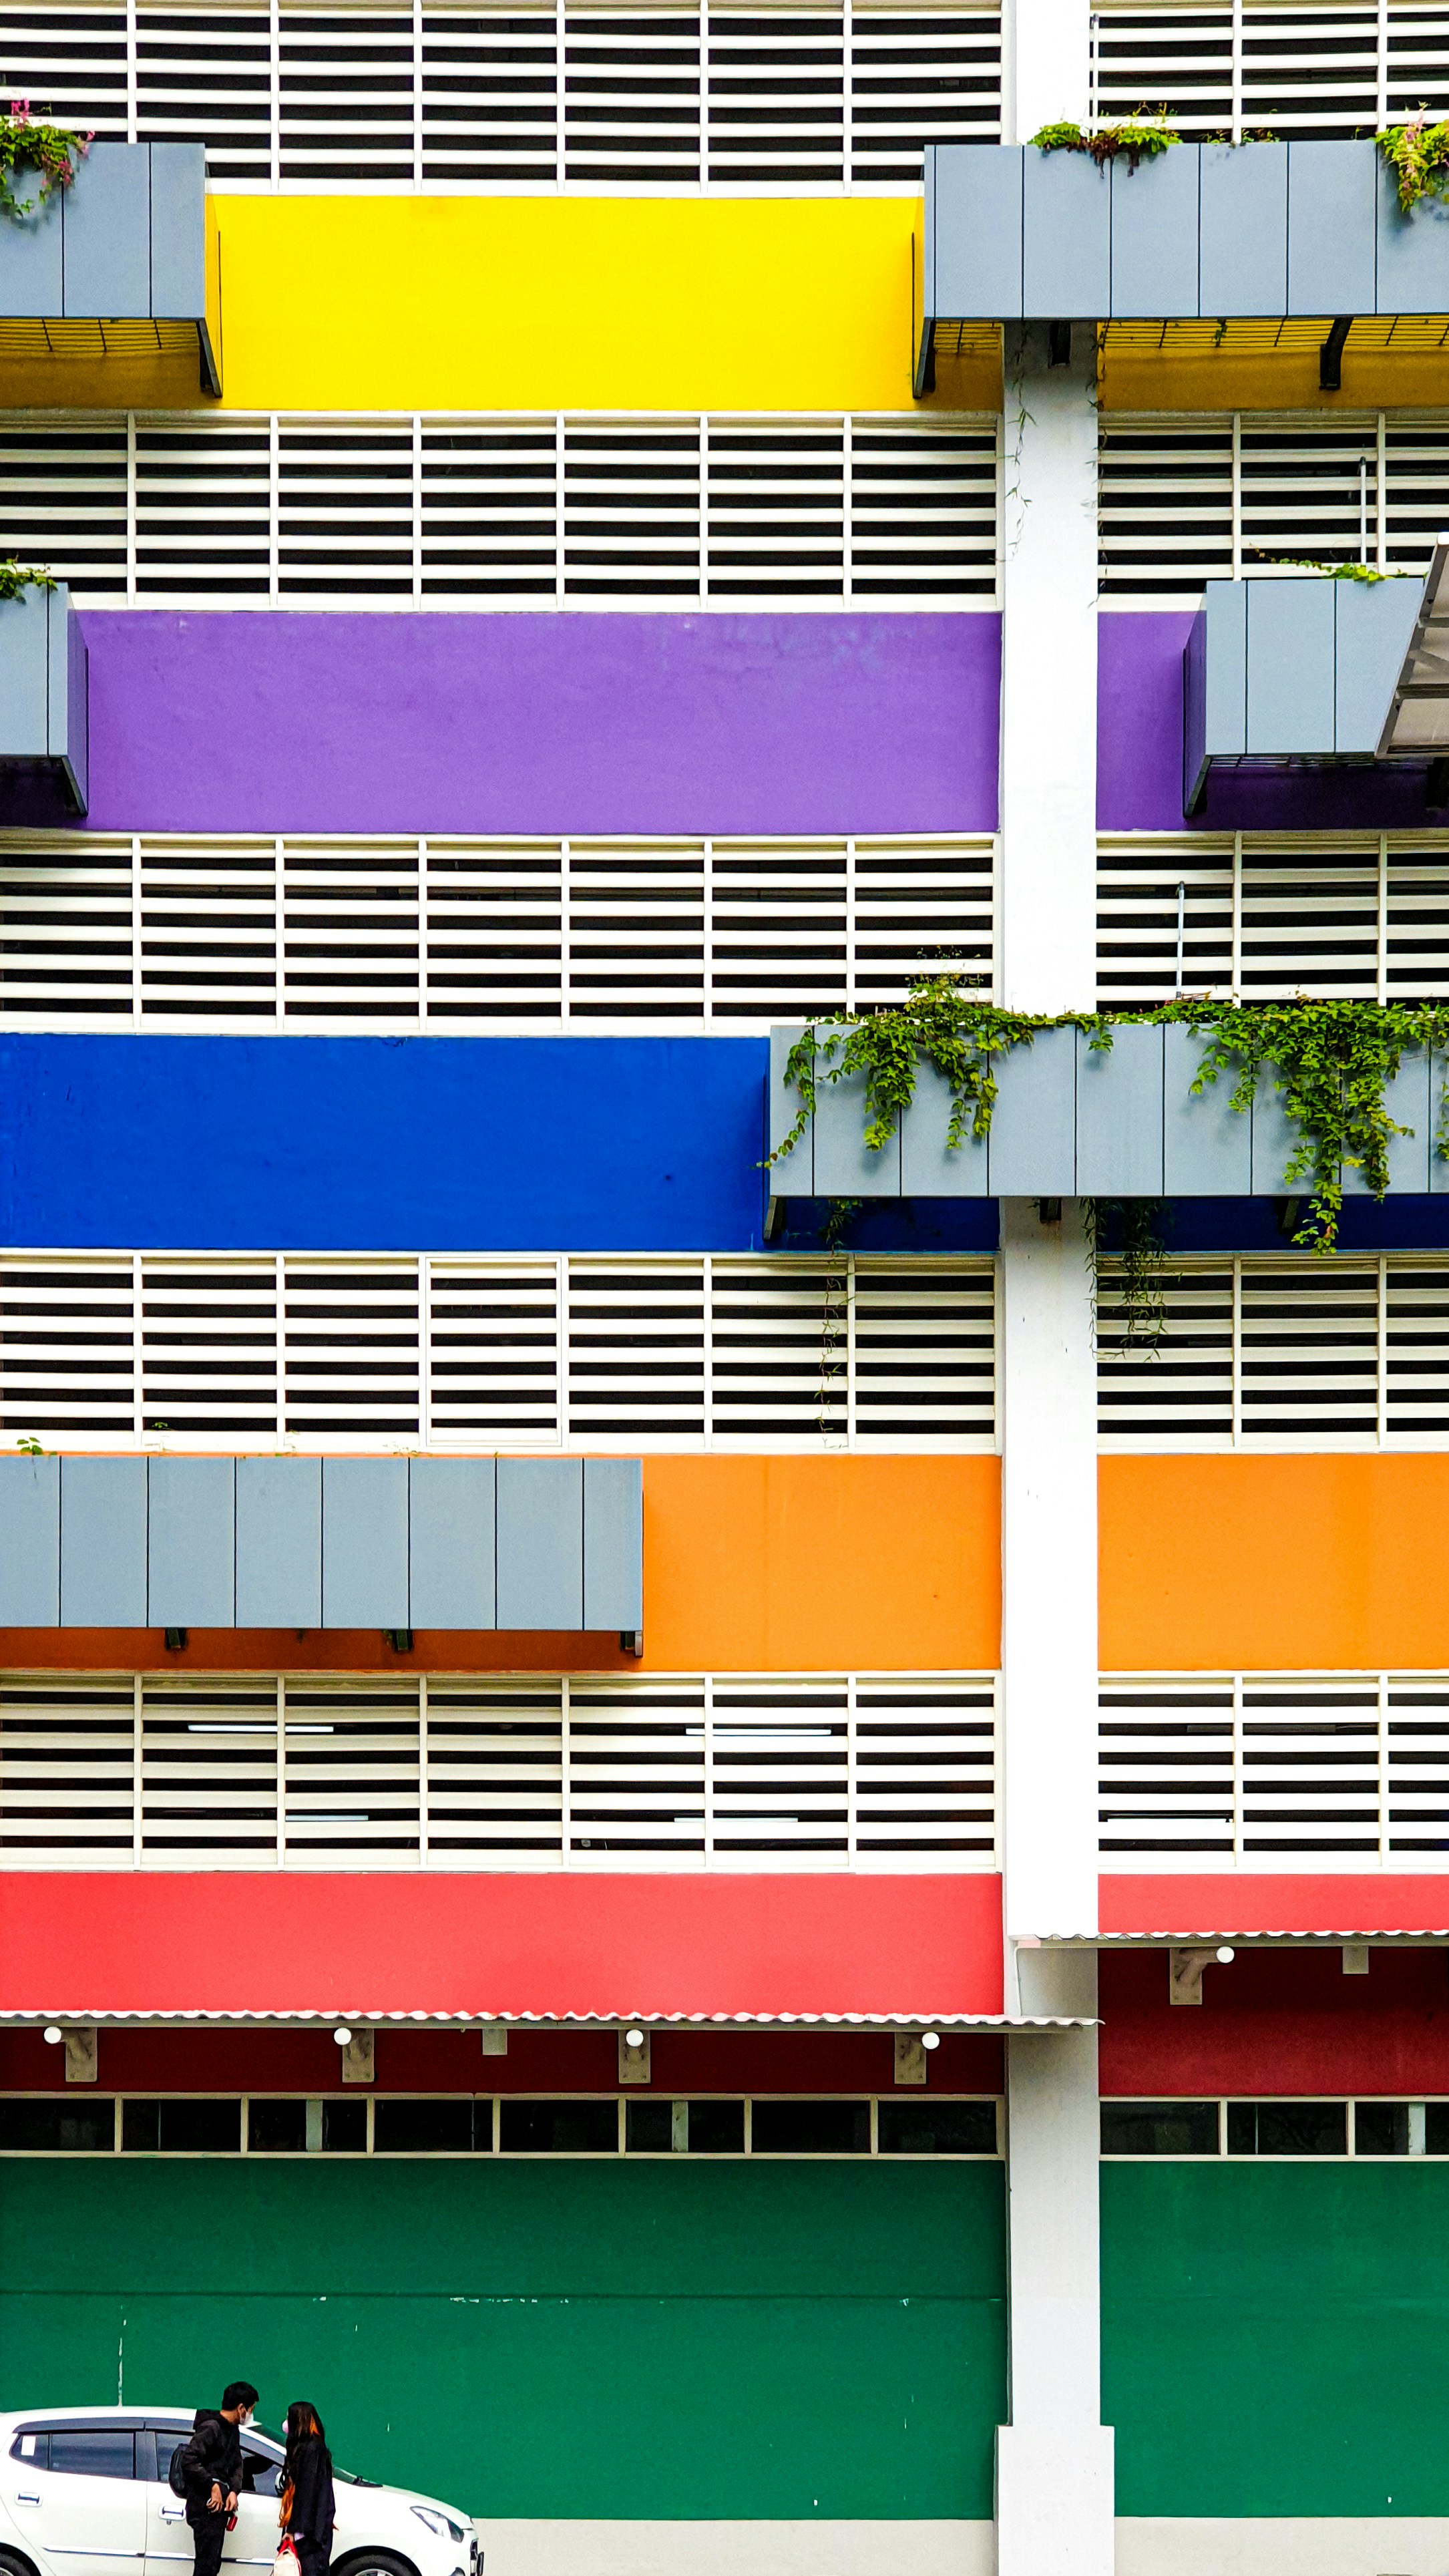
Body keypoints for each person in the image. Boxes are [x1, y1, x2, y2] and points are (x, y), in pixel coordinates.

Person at [179, 2383, 260, 2576]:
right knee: (206, 2566)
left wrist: (234, 2490)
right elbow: (189, 2461)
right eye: (251, 2409)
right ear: (241, 2408)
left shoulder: (232, 2430)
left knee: (213, 2564)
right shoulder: (211, 2427)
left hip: (219, 2510)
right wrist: (212, 2485)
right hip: (205, 2507)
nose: (250, 2414)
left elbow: (237, 2464)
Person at [278, 2402, 336, 2576]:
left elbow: (305, 2494)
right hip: (310, 2529)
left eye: (289, 2417)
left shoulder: (311, 2450)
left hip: (309, 2533)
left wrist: (292, 2531)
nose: (286, 2422)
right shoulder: (311, 2448)